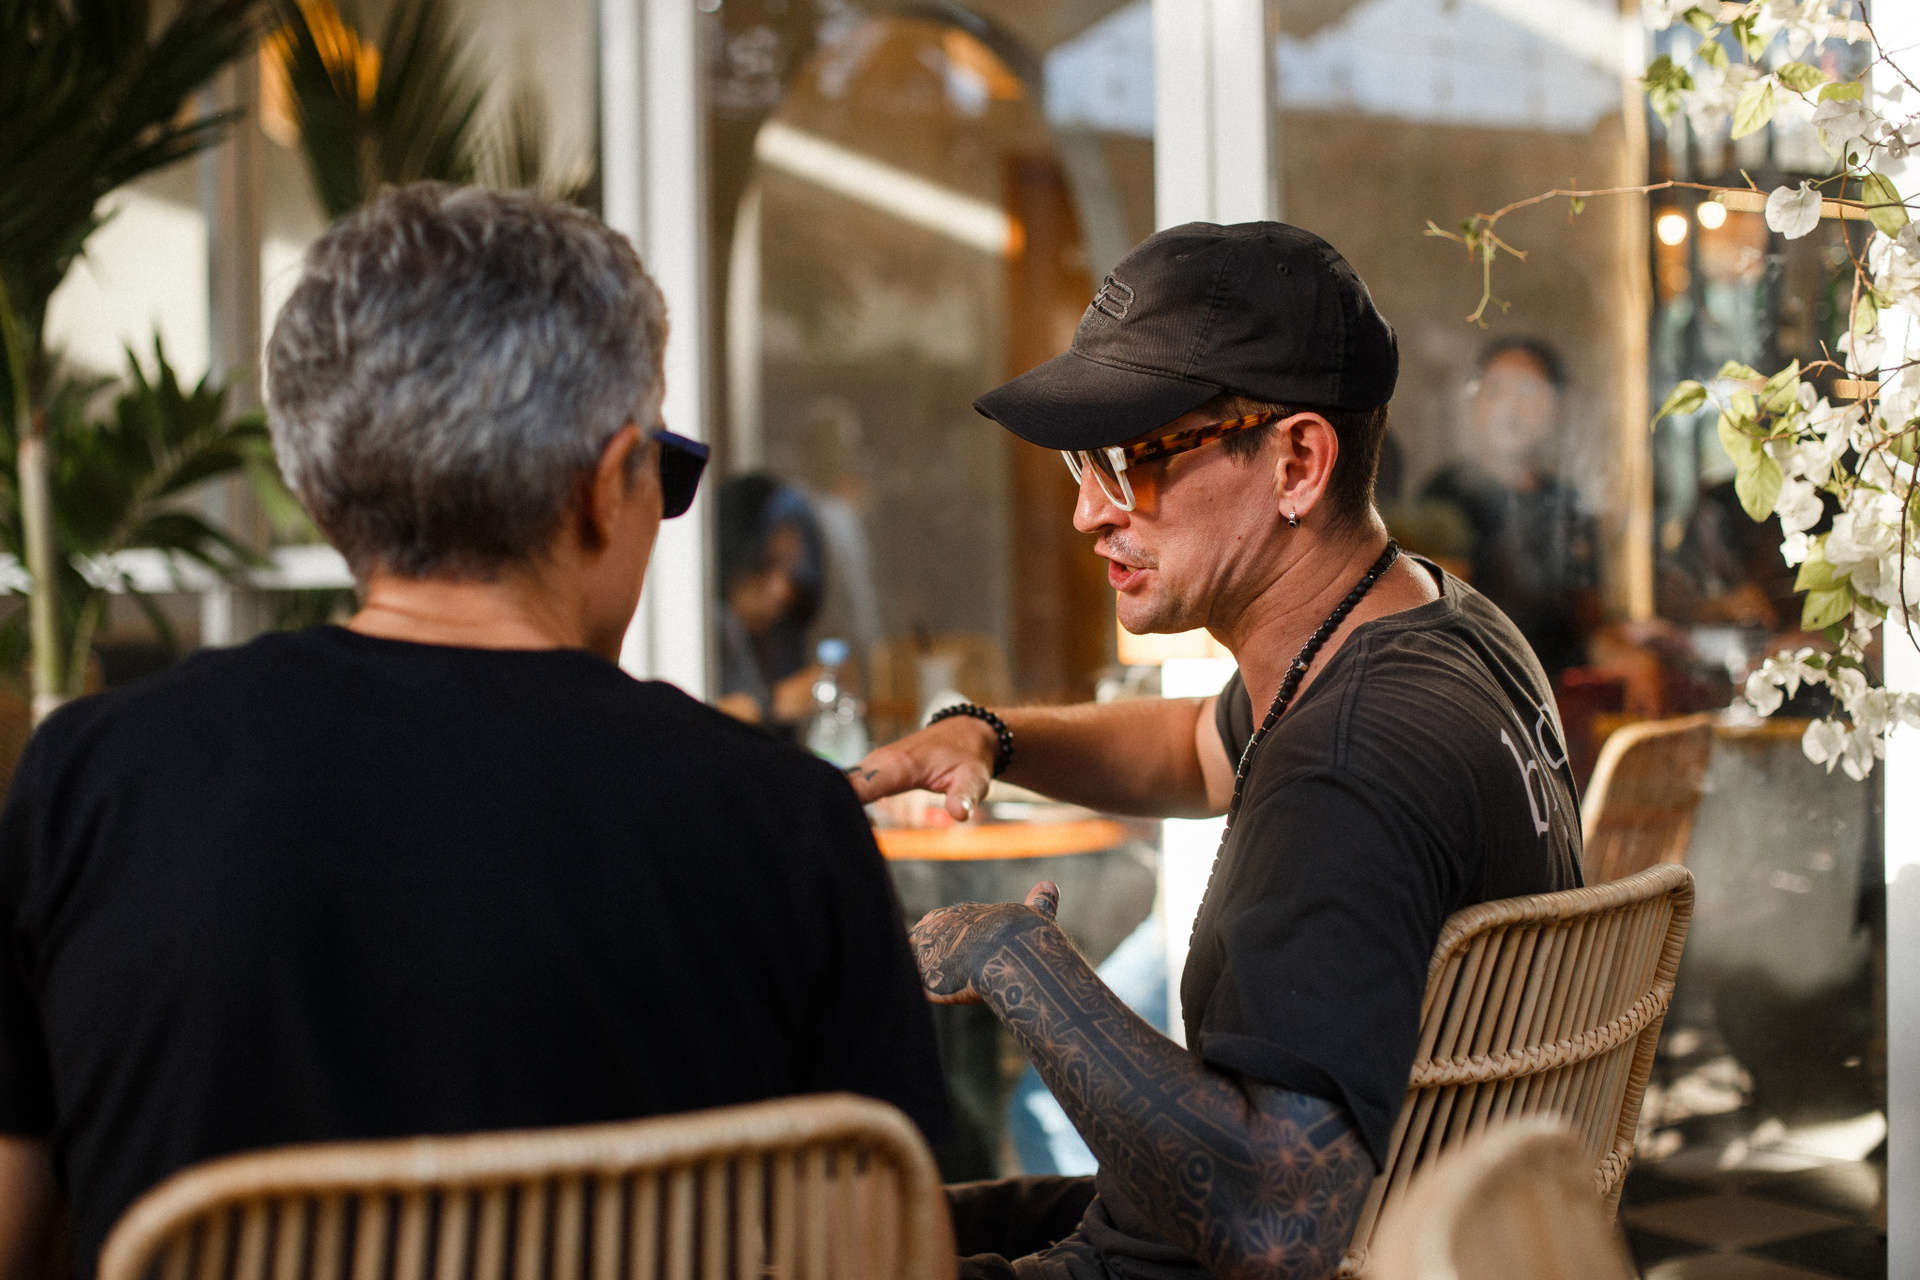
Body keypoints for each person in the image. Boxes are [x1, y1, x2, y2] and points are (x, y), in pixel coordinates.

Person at [0, 184, 947, 1280]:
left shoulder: (93, 784)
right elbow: (883, 1259)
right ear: (606, 487)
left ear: (316, 489)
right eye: (666, 472)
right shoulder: (785, 825)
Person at [850, 223, 1583, 1280]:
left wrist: (1015, 959)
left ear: (1297, 462)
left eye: (1128, 460)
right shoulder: (1441, 629)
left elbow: (1276, 1221)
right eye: (1082, 463)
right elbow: (1201, 743)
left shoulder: (1345, 768)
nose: (1087, 512)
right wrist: (995, 735)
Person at [1419, 337, 1600, 678]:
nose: (1510, 407)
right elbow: (1437, 623)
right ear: (1474, 405)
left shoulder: (1568, 504)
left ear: (1558, 407)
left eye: (1528, 391)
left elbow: (1588, 624)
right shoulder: (1448, 494)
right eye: (1495, 390)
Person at [716, 473, 827, 728]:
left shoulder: (778, 637)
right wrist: (775, 703)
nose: (782, 591)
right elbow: (686, 720)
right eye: (767, 564)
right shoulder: (707, 625)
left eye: (795, 573)